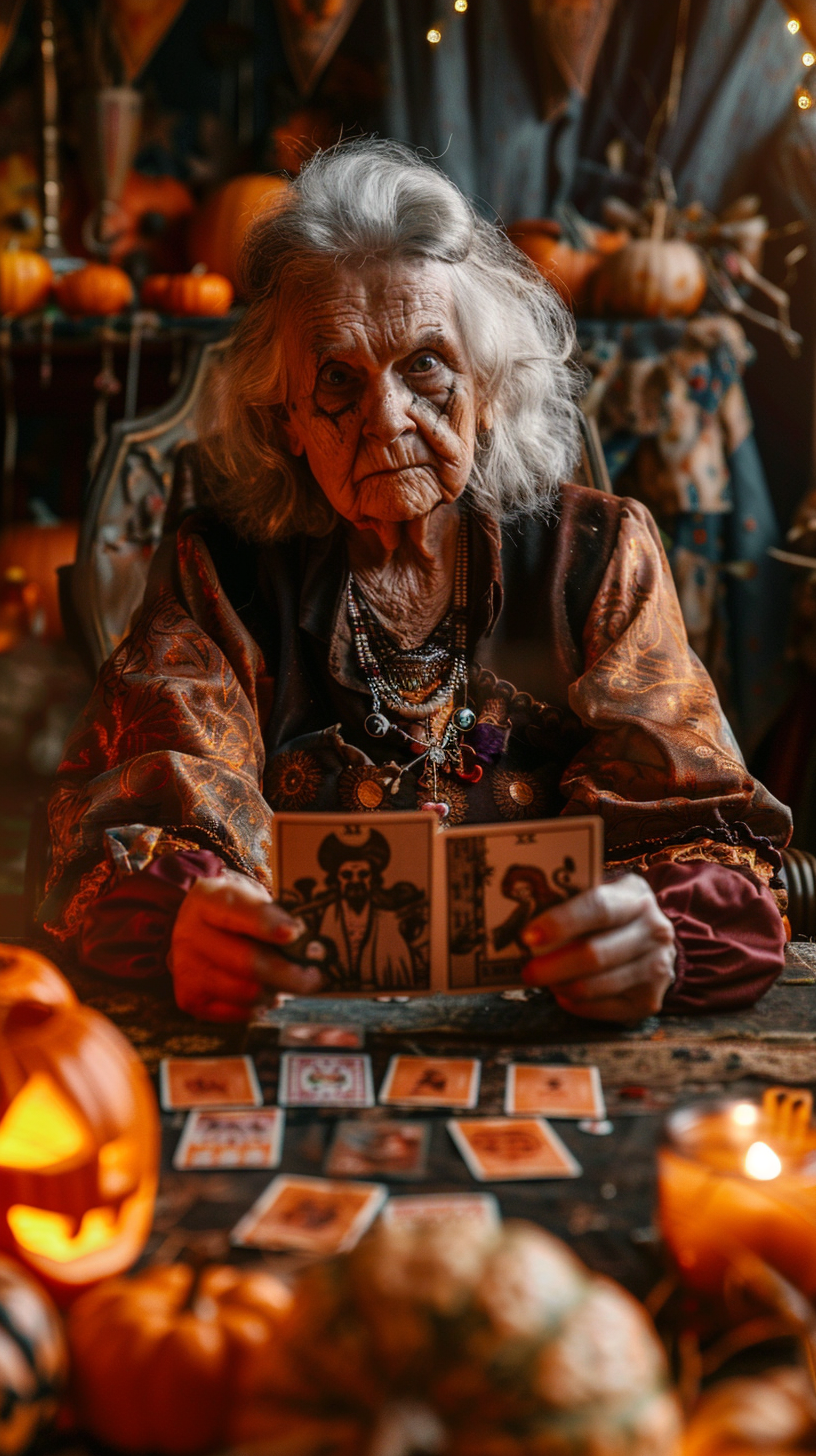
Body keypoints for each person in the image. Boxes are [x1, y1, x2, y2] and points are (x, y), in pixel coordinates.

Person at [39, 140, 791, 1024]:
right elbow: (132, 819)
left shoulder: (596, 556)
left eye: (424, 364)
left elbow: (702, 828)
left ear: (488, 384)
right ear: (285, 421)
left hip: (545, 1036)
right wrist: (182, 922)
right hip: (299, 1032)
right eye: (337, 380)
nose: (387, 417)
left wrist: (657, 934)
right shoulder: (222, 575)